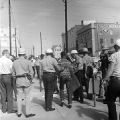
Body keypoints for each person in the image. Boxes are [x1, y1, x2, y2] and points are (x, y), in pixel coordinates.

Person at [12, 48, 35, 118]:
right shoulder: (28, 62)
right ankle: (27, 113)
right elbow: (32, 72)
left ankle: (19, 113)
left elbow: (13, 74)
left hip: (18, 81)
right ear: (24, 54)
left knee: (19, 97)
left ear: (18, 54)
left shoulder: (14, 62)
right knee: (27, 97)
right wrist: (31, 79)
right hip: (26, 81)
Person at [103, 39, 120, 120]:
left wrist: (105, 80)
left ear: (116, 47)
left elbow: (110, 70)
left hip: (116, 81)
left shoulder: (114, 55)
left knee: (110, 101)